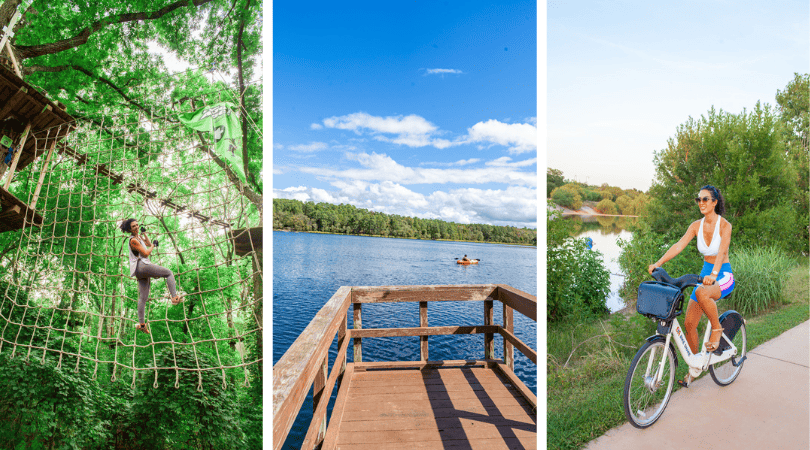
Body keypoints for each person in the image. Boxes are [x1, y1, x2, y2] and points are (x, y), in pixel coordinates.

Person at [647, 185, 734, 387]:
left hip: (723, 275)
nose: (701, 203)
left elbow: (721, 252)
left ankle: (717, 328)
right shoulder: (696, 225)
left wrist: (714, 274)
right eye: (699, 200)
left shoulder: (724, 225)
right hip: (704, 276)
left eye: (705, 199)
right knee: (689, 325)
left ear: (714, 202)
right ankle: (695, 366)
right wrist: (658, 264)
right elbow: (678, 245)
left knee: (703, 294)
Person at [120, 218, 183, 334]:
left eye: (137, 225)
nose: (136, 227)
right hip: (142, 266)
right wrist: (154, 246)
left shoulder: (138, 237)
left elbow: (147, 244)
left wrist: (144, 234)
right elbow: (145, 253)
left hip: (140, 270)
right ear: (129, 229)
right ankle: (174, 297)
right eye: (134, 226)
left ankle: (142, 325)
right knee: (168, 273)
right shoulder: (133, 240)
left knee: (143, 298)